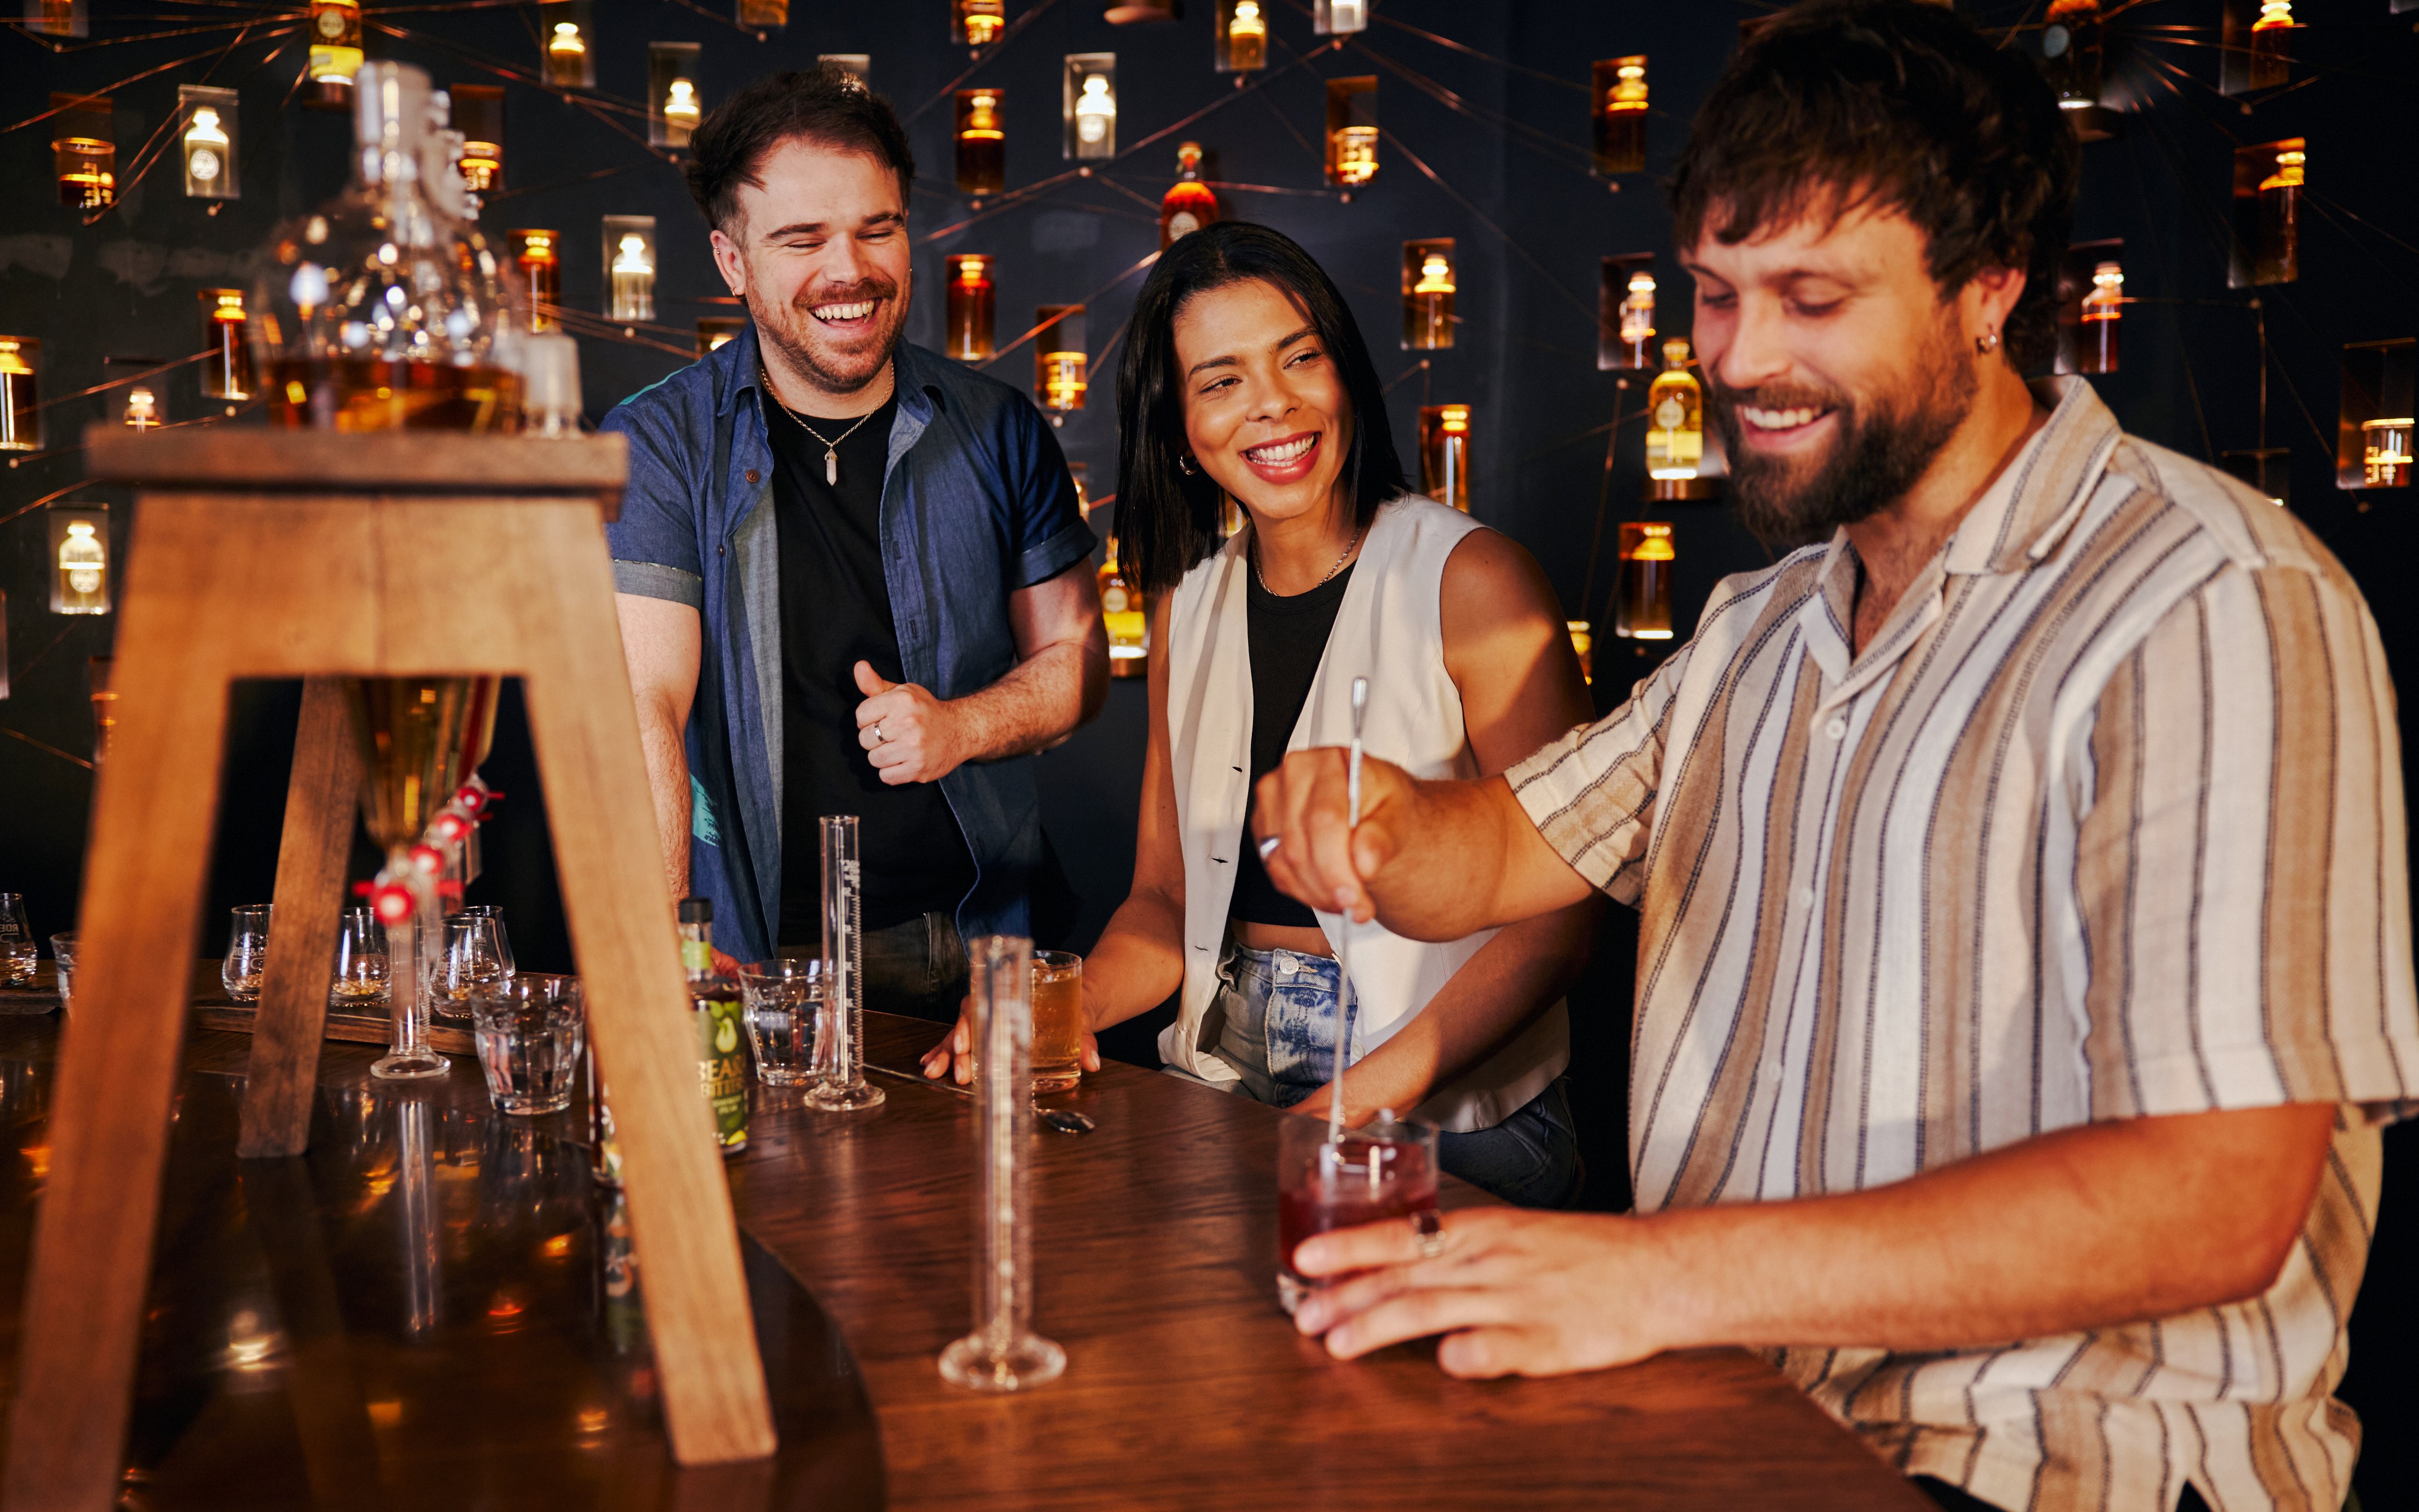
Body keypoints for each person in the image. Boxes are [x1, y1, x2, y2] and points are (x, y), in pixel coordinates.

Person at [1250, 4, 2417, 1510]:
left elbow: (2211, 1201)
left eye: (1811, 297)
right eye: (1716, 295)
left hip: (2051, 1468)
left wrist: (1644, 1275)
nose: (1742, 359)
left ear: (1989, 288)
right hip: (1735, 1424)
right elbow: (1499, 852)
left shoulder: (2211, 600)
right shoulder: (1756, 626)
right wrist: (1378, 818)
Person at [926, 222, 1596, 1207]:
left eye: (1299, 358)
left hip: (1447, 1097)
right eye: (1221, 380)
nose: (1272, 405)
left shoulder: (1477, 580)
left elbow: (1560, 920)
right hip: (1225, 1066)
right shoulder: (1185, 601)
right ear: (1181, 430)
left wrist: (1350, 1104)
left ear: (1344, 375)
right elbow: (1162, 902)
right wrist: (1063, 1007)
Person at [605, 67, 1106, 1015]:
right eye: (802, 239)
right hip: (761, 958)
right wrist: (674, 961)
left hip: (977, 951)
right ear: (731, 261)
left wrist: (963, 727)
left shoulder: (997, 426)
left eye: (877, 228)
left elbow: (1077, 661)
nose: (852, 270)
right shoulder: (659, 441)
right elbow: (643, 707)